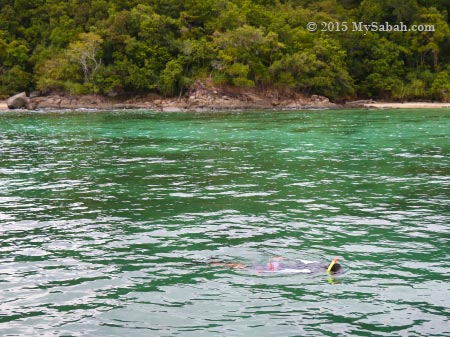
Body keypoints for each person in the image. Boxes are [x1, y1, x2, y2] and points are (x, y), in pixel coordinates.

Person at [208, 257, 342, 274]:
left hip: (279, 263)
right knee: (246, 267)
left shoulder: (316, 263)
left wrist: (283, 258)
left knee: (247, 265)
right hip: (279, 268)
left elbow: (299, 261)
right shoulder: (313, 271)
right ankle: (217, 264)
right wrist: (267, 273)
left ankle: (217, 263)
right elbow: (292, 272)